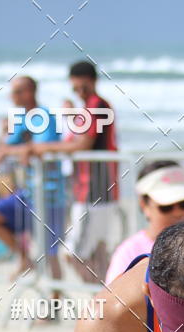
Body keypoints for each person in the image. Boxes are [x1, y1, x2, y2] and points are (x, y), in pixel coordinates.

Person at [28, 60, 119, 283]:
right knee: (96, 253)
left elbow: (82, 145)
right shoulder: (88, 108)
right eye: (75, 88)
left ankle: (101, 300)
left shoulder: (96, 106)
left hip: (94, 189)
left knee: (73, 253)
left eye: (82, 87)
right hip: (91, 188)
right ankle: (105, 302)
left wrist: (44, 148)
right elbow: (73, 141)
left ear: (93, 82)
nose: (78, 92)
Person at [0, 76, 65, 281]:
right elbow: (9, 146)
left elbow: (39, 150)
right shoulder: (23, 118)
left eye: (17, 92)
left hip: (50, 196)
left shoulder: (43, 116)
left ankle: (52, 307)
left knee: (50, 255)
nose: (12, 96)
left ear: (29, 92)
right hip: (28, 194)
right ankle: (25, 259)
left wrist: (15, 151)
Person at [105, 161, 184, 283]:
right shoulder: (129, 253)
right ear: (144, 205)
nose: (177, 212)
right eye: (166, 206)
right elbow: (111, 298)